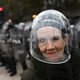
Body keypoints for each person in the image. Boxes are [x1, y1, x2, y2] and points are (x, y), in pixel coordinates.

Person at [21, 9, 80, 80]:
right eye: (42, 41)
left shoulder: (78, 66)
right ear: (38, 44)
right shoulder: (30, 77)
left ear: (65, 40)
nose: (50, 47)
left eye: (55, 39)